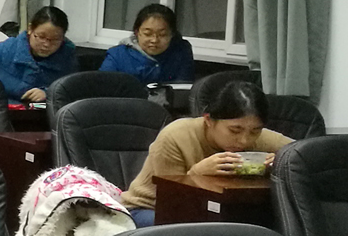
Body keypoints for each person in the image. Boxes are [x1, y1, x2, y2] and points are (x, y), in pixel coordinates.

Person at [121, 80, 291, 227]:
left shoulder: (257, 138)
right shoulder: (176, 136)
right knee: (198, 234)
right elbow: (172, 203)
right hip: (150, 208)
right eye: (234, 130)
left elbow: (301, 152)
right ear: (209, 120)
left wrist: (282, 161)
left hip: (218, 211)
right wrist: (195, 174)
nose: (244, 140)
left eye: (255, 131)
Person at [0, 6, 76, 104]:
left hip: (43, 116)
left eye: (55, 40)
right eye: (41, 37)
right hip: (4, 113)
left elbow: (71, 92)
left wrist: (48, 93)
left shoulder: (67, 57)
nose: (47, 44)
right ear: (30, 29)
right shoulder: (9, 49)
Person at [100, 2, 195, 85]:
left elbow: (183, 87)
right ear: (137, 32)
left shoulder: (181, 51)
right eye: (147, 34)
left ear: (172, 34)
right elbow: (103, 88)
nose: (154, 40)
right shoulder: (117, 55)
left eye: (162, 35)